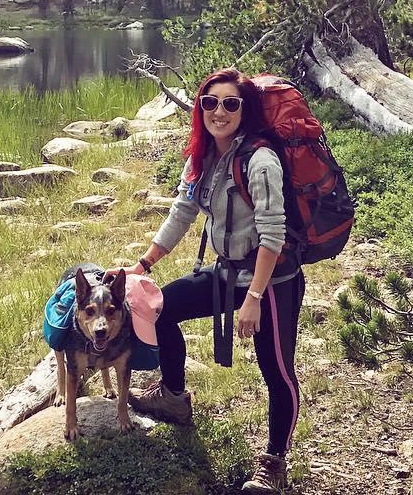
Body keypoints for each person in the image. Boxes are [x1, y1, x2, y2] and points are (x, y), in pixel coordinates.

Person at [121, 68, 304, 494]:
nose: (218, 111)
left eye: (230, 103)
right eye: (210, 102)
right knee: (158, 308)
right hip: (226, 271)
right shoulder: (201, 157)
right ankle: (174, 397)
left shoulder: (261, 160)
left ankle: (274, 462)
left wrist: (254, 297)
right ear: (200, 107)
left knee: (276, 370)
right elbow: (182, 212)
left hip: (272, 279)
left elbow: (273, 234)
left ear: (245, 110)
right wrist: (143, 265)